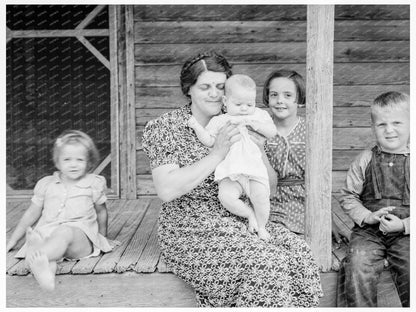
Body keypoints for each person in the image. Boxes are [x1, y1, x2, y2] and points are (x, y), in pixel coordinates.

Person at [142, 51, 322, 307]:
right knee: (266, 264)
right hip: (191, 226)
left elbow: (268, 190)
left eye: (219, 87)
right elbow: (167, 189)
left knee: (298, 254)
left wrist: (258, 148)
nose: (214, 94)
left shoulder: (246, 119)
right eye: (205, 87)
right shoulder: (167, 127)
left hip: (239, 217)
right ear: (188, 89)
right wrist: (217, 153)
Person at [6, 130, 115, 291]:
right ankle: (46, 277)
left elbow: (101, 212)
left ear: (88, 161)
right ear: (57, 162)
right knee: (38, 236)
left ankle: (37, 254)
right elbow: (31, 214)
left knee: (64, 231)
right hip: (49, 236)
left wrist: (103, 238)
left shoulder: (93, 183)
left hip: (79, 239)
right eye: (67, 159)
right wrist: (13, 241)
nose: (73, 164)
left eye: (79, 159)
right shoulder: (46, 184)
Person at [337, 91, 410, 307]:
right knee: (357, 261)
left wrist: (404, 225)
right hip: (369, 232)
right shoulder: (364, 159)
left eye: (397, 122)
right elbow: (348, 196)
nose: (389, 130)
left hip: (407, 233)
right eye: (381, 124)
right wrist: (368, 217)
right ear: (372, 128)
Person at [188, 74, 277, 240]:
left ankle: (262, 226)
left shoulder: (258, 115)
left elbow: (272, 132)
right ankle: (249, 214)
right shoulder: (221, 120)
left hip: (254, 171)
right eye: (238, 104)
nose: (244, 108)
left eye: (249, 104)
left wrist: (257, 125)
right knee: (226, 197)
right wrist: (197, 128)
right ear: (225, 101)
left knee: (262, 198)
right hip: (231, 172)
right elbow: (208, 140)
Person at [262, 70, 307, 235]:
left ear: (299, 99)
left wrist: (328, 217)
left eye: (288, 95)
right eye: (274, 95)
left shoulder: (309, 129)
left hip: (304, 202)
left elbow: (320, 177)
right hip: (269, 199)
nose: (280, 100)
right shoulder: (260, 128)